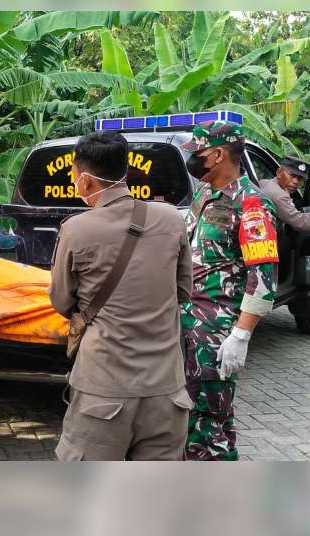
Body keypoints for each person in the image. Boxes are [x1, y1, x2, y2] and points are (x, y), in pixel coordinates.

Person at [50, 131, 193, 461]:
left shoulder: (76, 229)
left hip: (103, 391)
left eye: (73, 176)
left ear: (85, 181)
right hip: (166, 394)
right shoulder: (172, 219)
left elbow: (60, 301)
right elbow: (183, 290)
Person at [180, 120, 279, 461]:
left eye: (197, 153)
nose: (193, 159)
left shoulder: (252, 205)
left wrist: (241, 335)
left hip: (216, 329)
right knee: (188, 412)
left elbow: (264, 278)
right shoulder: (205, 194)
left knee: (211, 420)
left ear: (218, 154)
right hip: (188, 322)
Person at [258, 155, 310, 231]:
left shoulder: (264, 183)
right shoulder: (279, 196)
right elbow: (302, 223)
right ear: (279, 173)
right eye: (292, 175)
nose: (296, 182)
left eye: (300, 178)